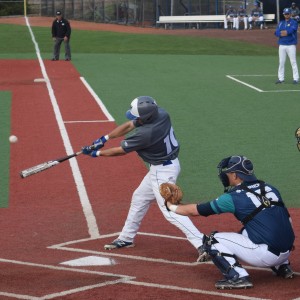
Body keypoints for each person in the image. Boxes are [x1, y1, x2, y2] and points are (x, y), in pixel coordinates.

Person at [81, 96, 204, 258]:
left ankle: (202, 243)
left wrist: (96, 153)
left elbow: (120, 151)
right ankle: (126, 237)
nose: (135, 119)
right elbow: (129, 125)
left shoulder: (146, 134)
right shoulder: (161, 113)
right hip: (163, 166)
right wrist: (104, 138)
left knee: (170, 210)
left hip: (163, 172)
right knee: (139, 197)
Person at [164, 155, 295, 289]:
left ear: (235, 175)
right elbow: (287, 218)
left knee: (212, 240)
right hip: (287, 249)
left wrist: (171, 206)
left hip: (266, 256)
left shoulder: (233, 197)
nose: (225, 175)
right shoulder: (270, 188)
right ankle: (283, 266)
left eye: (228, 172)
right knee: (248, 230)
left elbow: (197, 210)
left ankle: (238, 276)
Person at [274, 8, 299, 84]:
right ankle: (281, 79)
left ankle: (296, 78)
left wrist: (285, 32)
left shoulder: (294, 22)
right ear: (283, 14)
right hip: (281, 45)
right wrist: (283, 33)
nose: (286, 15)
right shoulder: (281, 22)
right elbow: (276, 32)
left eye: (288, 13)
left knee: (293, 62)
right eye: (285, 14)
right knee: (281, 62)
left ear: (290, 14)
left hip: (291, 45)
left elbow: (291, 31)